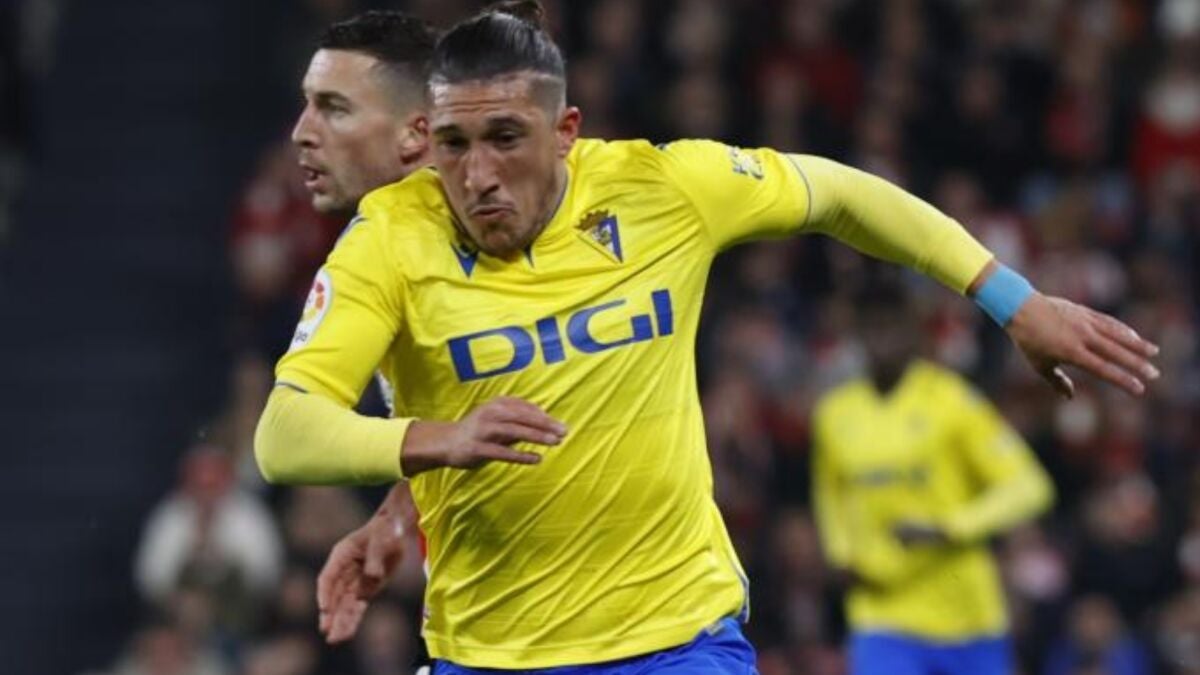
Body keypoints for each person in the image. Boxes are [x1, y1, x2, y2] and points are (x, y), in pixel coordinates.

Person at [254, 1, 1160, 671]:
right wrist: (427, 453)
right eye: (455, 145)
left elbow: (841, 193)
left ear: (566, 132)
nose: (478, 175)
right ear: (426, 138)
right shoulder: (389, 238)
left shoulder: (661, 189)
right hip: (491, 653)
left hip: (679, 641)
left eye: (505, 139)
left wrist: (1012, 299)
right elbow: (285, 433)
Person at [286, 9, 439, 646]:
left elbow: (285, 436)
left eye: (334, 108)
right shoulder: (394, 242)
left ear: (415, 133)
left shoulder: (491, 231)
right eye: (307, 104)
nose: (302, 132)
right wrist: (401, 512)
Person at [811, 279, 1055, 675]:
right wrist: (840, 554)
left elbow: (1029, 487)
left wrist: (950, 528)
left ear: (913, 331)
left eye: (892, 326)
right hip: (881, 615)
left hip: (967, 618)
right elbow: (829, 493)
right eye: (871, 327)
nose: (882, 339)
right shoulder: (835, 414)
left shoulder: (951, 401)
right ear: (856, 334)